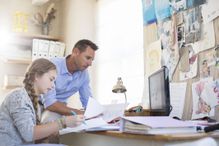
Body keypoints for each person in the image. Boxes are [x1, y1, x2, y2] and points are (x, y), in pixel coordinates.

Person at [0, 58, 84, 146]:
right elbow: (29, 134)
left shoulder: (35, 100)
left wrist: (51, 131)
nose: (52, 86)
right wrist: (63, 122)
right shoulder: (18, 96)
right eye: (51, 79)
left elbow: (31, 135)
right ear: (36, 76)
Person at [41, 39, 98, 123]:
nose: (90, 63)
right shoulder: (52, 66)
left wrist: (98, 113)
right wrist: (79, 113)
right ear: (75, 52)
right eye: (88, 58)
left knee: (80, 123)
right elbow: (50, 103)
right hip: (41, 106)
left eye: (92, 60)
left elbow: (87, 102)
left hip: (61, 108)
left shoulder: (84, 74)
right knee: (51, 120)